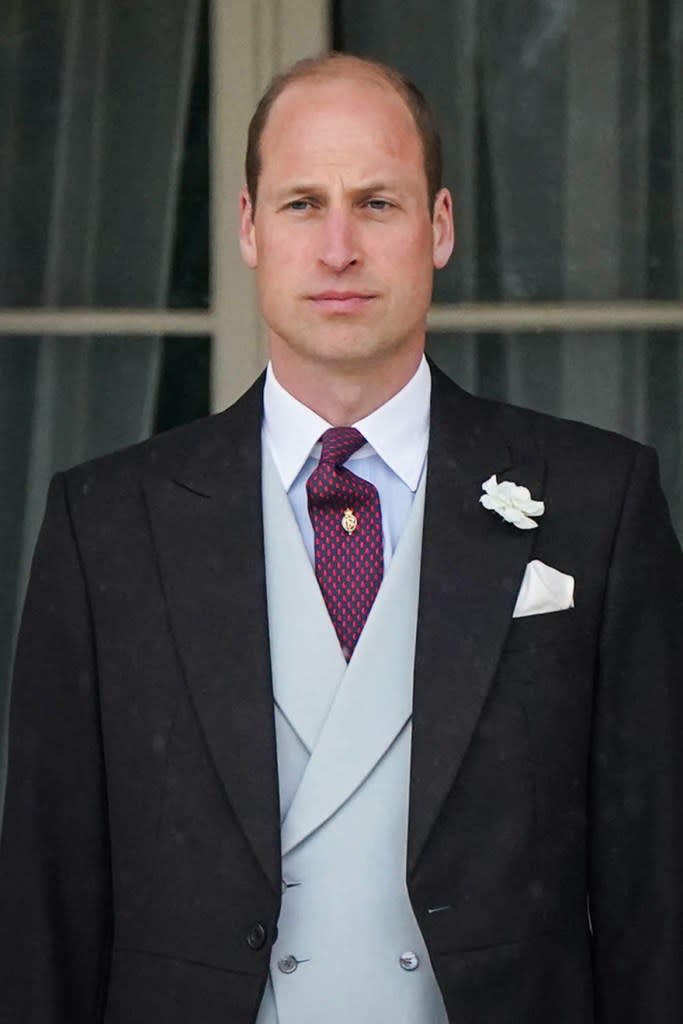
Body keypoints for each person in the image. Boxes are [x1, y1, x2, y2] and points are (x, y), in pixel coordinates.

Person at [0, 51, 681, 1024]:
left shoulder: (596, 501)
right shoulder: (106, 522)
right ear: (246, 227)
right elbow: (46, 893)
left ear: (437, 225)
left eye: (375, 202)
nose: (336, 249)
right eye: (299, 204)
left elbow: (655, 885)